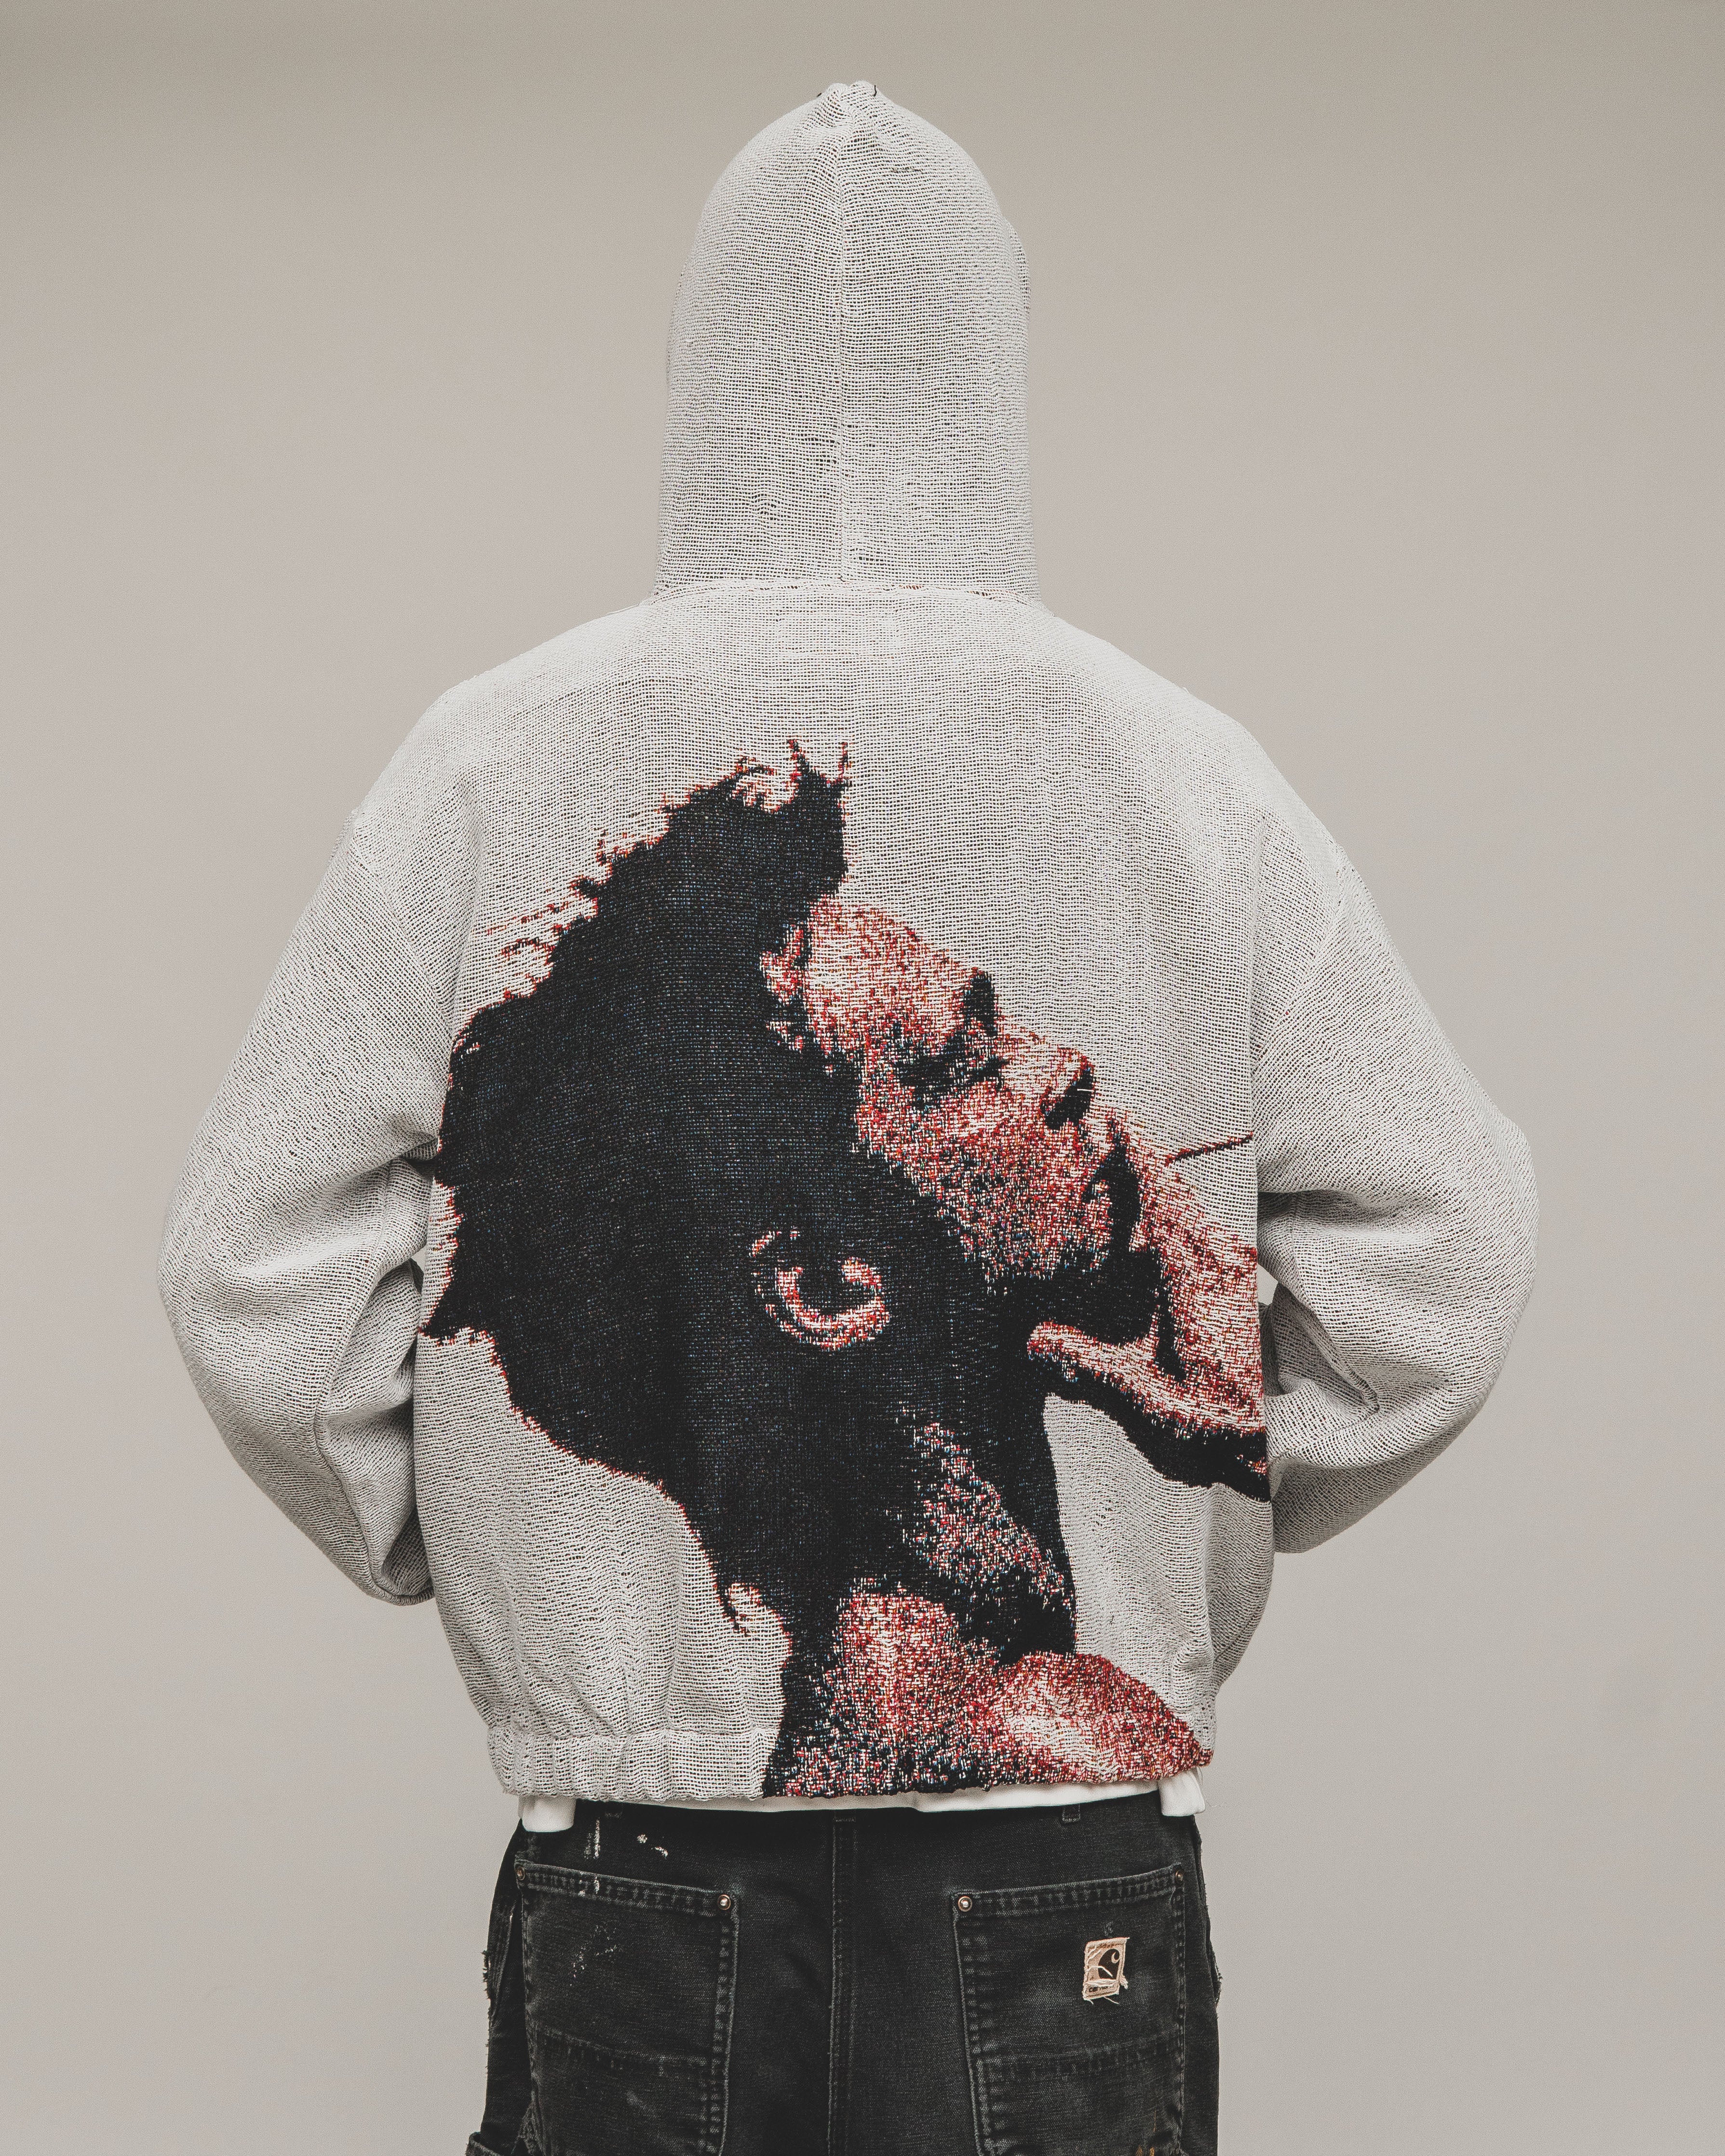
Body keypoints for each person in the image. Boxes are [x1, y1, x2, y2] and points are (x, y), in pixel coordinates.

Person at [160, 82, 1537, 2156]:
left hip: (638, 1880)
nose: (1068, 1069)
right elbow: (1446, 1253)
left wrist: (519, 1559)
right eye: (970, 1052)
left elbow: (247, 1270)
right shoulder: (1179, 767)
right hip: (1060, 1888)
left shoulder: (482, 760)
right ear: (819, 1279)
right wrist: (1221, 1493)